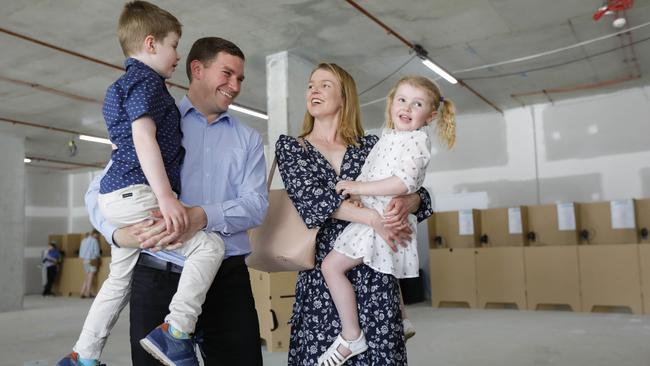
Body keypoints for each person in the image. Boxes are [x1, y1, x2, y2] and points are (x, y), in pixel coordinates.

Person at [58, 3, 226, 366]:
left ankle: (83, 355)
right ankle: (177, 333)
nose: (177, 55)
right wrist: (166, 198)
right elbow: (143, 136)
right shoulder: (148, 82)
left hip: (116, 195)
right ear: (151, 44)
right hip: (139, 192)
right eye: (174, 45)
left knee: (118, 280)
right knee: (208, 247)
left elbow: (126, 139)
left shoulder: (121, 85)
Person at [84, 36, 267, 365]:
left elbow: (256, 206)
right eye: (227, 74)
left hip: (227, 280)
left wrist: (200, 216)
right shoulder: (156, 122)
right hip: (156, 275)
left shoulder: (248, 139)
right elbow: (98, 192)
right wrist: (117, 235)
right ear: (197, 69)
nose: (235, 85)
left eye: (240, 78)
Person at [275, 63, 434, 366]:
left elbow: (420, 193)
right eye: (310, 85)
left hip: (376, 276)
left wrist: (409, 201)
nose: (314, 90)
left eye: (324, 84)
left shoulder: (373, 146)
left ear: (344, 96)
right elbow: (313, 199)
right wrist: (375, 219)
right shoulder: (293, 148)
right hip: (322, 277)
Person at [319, 75, 456, 364]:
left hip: (381, 219)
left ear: (430, 116)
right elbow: (376, 174)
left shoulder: (415, 141)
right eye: (402, 100)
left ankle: (351, 336)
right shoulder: (391, 137)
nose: (406, 107)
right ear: (391, 102)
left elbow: (403, 182)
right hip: (376, 214)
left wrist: (357, 188)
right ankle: (403, 318)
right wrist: (359, 194)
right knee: (384, 267)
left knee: (331, 266)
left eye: (416, 104)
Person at [79, 230, 101, 298]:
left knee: (87, 277)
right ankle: (88, 293)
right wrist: (98, 257)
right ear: (95, 234)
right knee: (90, 277)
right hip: (92, 260)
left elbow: (80, 253)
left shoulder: (83, 240)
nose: (98, 236)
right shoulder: (94, 240)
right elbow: (97, 252)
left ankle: (82, 292)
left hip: (85, 261)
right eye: (98, 235)